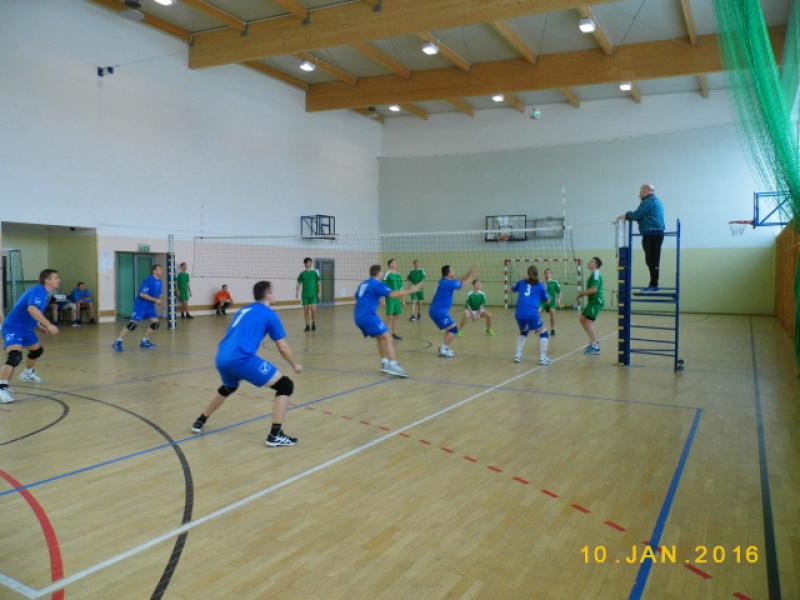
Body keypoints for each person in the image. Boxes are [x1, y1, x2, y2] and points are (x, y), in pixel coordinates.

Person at [190, 281, 303, 447]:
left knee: (228, 387)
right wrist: (295, 365)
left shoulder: (244, 309)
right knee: (285, 385)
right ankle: (275, 435)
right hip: (242, 359)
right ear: (268, 295)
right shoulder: (269, 314)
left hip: (222, 356)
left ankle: (200, 420)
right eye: (273, 292)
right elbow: (282, 347)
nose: (275, 295)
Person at [0, 269, 61, 403]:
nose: (59, 280)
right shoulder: (38, 290)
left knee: (37, 350)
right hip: (14, 327)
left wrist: (38, 324)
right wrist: (48, 325)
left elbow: (28, 310)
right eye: (56, 278)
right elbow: (31, 309)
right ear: (47, 280)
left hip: (26, 328)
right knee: (15, 356)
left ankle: (27, 373)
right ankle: (1, 388)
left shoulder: (44, 293)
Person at [354, 265, 422, 377]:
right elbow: (393, 294)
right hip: (368, 316)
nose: (383, 274)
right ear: (378, 273)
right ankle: (394, 365)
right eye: (382, 272)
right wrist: (411, 290)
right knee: (388, 337)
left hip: (358, 316)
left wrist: (377, 298)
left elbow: (358, 297)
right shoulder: (377, 284)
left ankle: (385, 363)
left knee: (380, 337)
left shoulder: (364, 283)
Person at [619, 184, 666, 292]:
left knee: (652, 259)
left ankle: (654, 284)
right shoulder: (652, 200)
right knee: (651, 259)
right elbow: (639, 215)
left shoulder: (649, 201)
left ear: (646, 191)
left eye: (641, 191)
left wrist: (626, 215)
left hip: (653, 234)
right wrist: (629, 216)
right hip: (651, 233)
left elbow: (637, 215)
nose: (639, 194)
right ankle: (653, 284)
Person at [429, 264, 477, 358]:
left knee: (450, 328)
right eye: (452, 270)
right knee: (454, 329)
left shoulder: (444, 281)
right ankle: (443, 350)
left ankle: (444, 347)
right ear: (449, 273)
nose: (454, 272)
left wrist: (469, 274)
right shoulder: (448, 283)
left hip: (437, 311)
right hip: (439, 312)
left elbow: (460, 280)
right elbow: (462, 284)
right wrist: (471, 275)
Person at [112, 264, 163, 351]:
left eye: (161, 269)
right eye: (159, 269)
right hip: (141, 305)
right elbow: (142, 294)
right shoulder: (148, 280)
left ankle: (144, 341)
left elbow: (158, 293)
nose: (161, 271)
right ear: (154, 271)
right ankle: (118, 341)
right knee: (133, 324)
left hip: (150, 306)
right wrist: (155, 300)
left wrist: (159, 299)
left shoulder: (160, 282)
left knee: (156, 324)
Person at [511, 266, 552, 365]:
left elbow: (512, 288)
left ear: (528, 274)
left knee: (524, 332)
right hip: (532, 314)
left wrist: (520, 280)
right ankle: (543, 358)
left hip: (519, 313)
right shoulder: (540, 286)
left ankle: (518, 355)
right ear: (537, 274)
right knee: (544, 333)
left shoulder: (521, 282)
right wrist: (547, 294)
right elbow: (547, 301)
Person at [577, 257, 605, 355]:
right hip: (592, 302)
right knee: (582, 319)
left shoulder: (596, 274)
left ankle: (595, 346)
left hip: (596, 302)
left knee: (588, 322)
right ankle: (594, 341)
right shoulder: (593, 274)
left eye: (592, 261)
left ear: (596, 265)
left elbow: (594, 289)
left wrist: (581, 294)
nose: (589, 262)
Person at [295, 257, 321, 332]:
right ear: (305, 263)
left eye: (311, 262)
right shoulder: (302, 274)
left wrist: (319, 293)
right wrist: (297, 293)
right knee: (306, 310)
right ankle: (307, 325)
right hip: (305, 295)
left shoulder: (315, 273)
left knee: (313, 309)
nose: (310, 263)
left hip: (313, 295)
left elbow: (318, 283)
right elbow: (298, 284)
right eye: (309, 262)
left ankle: (313, 323)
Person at [384, 258, 404, 340]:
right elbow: (383, 287)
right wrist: (383, 300)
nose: (396, 264)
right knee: (389, 317)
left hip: (397, 298)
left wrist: (402, 300)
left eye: (396, 263)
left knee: (396, 316)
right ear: (390, 265)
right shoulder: (387, 274)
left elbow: (401, 288)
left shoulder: (398, 275)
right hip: (390, 298)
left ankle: (394, 333)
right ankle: (383, 333)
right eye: (394, 263)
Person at [541, 268, 561, 336]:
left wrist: (558, 299)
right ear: (544, 274)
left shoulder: (554, 282)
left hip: (551, 302)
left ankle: (553, 330)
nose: (547, 274)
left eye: (549, 273)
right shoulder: (541, 283)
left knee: (552, 313)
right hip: (542, 302)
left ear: (551, 274)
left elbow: (559, 292)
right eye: (546, 273)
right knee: (537, 313)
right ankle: (539, 327)